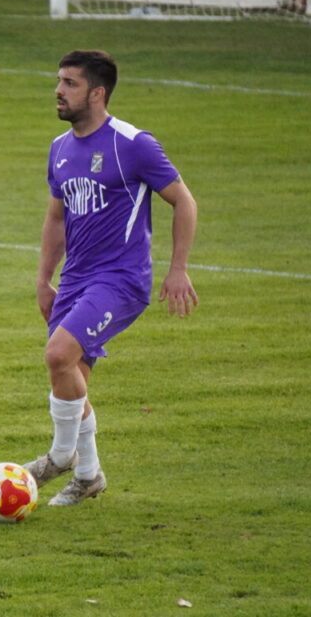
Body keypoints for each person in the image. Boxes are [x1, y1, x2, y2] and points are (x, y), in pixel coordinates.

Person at [24, 50, 199, 506]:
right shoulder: (59, 149)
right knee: (71, 379)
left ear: (97, 93)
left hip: (121, 279)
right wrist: (44, 278)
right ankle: (89, 476)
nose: (58, 91)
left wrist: (178, 268)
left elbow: (184, 201)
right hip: (76, 279)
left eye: (69, 83)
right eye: (58, 81)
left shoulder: (132, 144)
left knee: (57, 355)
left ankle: (59, 458)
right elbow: (56, 218)